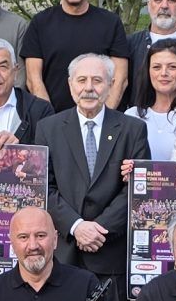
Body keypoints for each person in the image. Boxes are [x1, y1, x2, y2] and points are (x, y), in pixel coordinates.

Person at [37, 52, 151, 288]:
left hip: (111, 253)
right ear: (70, 85)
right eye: (81, 80)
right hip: (64, 254)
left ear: (110, 86)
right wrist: (77, 227)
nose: (89, 88)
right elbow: (43, 187)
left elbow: (138, 188)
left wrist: (99, 231)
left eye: (97, 81)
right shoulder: (48, 128)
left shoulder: (133, 129)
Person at [20, 0, 133, 104]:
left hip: (101, 122)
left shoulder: (111, 23)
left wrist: (104, 120)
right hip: (54, 121)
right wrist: (50, 123)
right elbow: (34, 80)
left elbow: (120, 79)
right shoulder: (40, 23)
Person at [124, 37, 176, 155]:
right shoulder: (131, 116)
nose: (163, 73)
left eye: (172, 67)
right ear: (148, 71)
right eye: (157, 67)